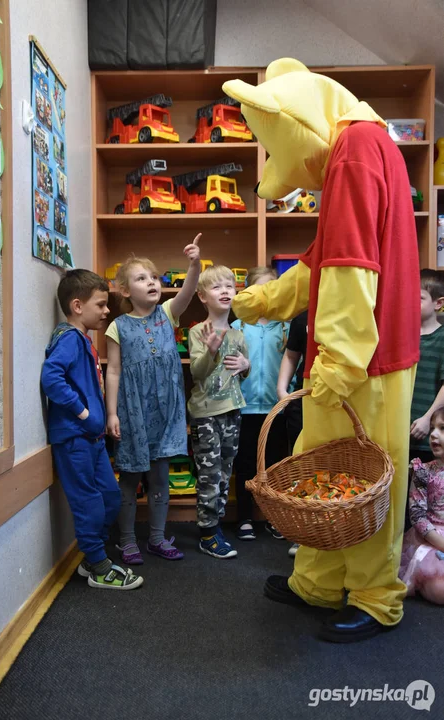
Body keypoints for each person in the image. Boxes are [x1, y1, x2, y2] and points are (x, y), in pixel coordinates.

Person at [225, 58, 420, 642]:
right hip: (355, 353)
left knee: (365, 480)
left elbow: (351, 268)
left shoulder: (357, 150)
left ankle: (374, 593)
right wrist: (268, 299)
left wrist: (337, 357)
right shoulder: (357, 148)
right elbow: (323, 260)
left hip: (369, 357)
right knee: (328, 475)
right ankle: (319, 579)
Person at [41, 269, 143, 590]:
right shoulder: (69, 339)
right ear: (77, 306)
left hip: (93, 438)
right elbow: (51, 378)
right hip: (75, 439)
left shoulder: (81, 338)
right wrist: (84, 412)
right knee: (89, 501)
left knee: (110, 497)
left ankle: (93, 556)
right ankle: (99, 566)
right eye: (100, 304)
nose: (107, 310)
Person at [105, 235, 202, 565]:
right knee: (130, 478)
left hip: (165, 411)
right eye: (141, 278)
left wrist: (194, 265)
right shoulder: (117, 326)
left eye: (154, 277)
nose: (151, 282)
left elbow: (187, 292)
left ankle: (158, 538)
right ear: (124, 290)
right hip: (132, 413)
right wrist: (112, 414)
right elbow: (114, 372)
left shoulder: (167, 313)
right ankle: (128, 541)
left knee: (161, 478)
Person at [188, 265, 250, 558]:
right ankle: (207, 532)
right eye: (217, 287)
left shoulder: (239, 334)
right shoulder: (199, 331)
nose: (226, 291)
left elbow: (243, 371)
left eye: (230, 286)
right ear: (202, 296)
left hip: (232, 411)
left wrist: (246, 366)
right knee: (209, 474)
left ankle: (216, 526)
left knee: (225, 473)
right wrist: (211, 350)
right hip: (206, 414)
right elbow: (198, 373)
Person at [231, 266, 288, 541]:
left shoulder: (287, 327)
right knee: (245, 464)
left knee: (277, 464)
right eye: (261, 290)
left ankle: (275, 518)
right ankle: (244, 516)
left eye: (272, 290)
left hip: (278, 409)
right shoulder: (237, 327)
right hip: (245, 407)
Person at [399, 406, 444, 604]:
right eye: (433, 428)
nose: (433, 434)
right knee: (439, 589)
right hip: (431, 538)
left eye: (443, 428)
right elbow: (417, 516)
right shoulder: (423, 471)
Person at [277, 310, 308, 557]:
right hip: (304, 400)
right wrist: (282, 390)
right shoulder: (302, 319)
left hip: (341, 403)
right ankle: (302, 533)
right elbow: (291, 355)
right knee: (300, 465)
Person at [409, 270, 444, 464]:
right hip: (398, 434)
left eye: (420, 298)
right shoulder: (403, 336)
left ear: (438, 303)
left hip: (428, 437)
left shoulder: (441, 338)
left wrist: (427, 418)